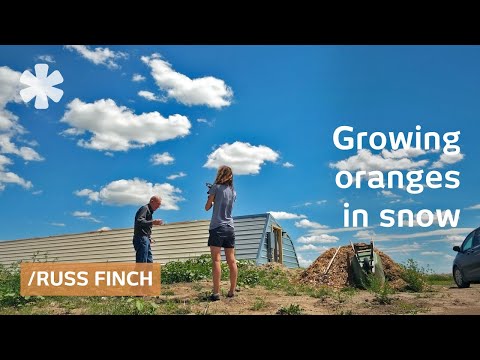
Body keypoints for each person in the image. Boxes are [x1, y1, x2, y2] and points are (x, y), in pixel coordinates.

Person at [204, 165, 238, 301]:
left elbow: (207, 207)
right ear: (230, 176)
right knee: (232, 260)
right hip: (230, 228)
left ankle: (216, 292)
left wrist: (210, 197)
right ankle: (231, 291)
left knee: (216, 260)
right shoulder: (233, 191)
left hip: (217, 227)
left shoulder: (215, 187)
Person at [133, 195, 163, 263]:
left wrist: (149, 238)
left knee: (149, 263)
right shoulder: (145, 208)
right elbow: (139, 221)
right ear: (152, 201)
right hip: (141, 238)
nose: (159, 206)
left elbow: (144, 226)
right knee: (142, 262)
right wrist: (153, 222)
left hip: (145, 238)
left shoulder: (149, 211)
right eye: (158, 204)